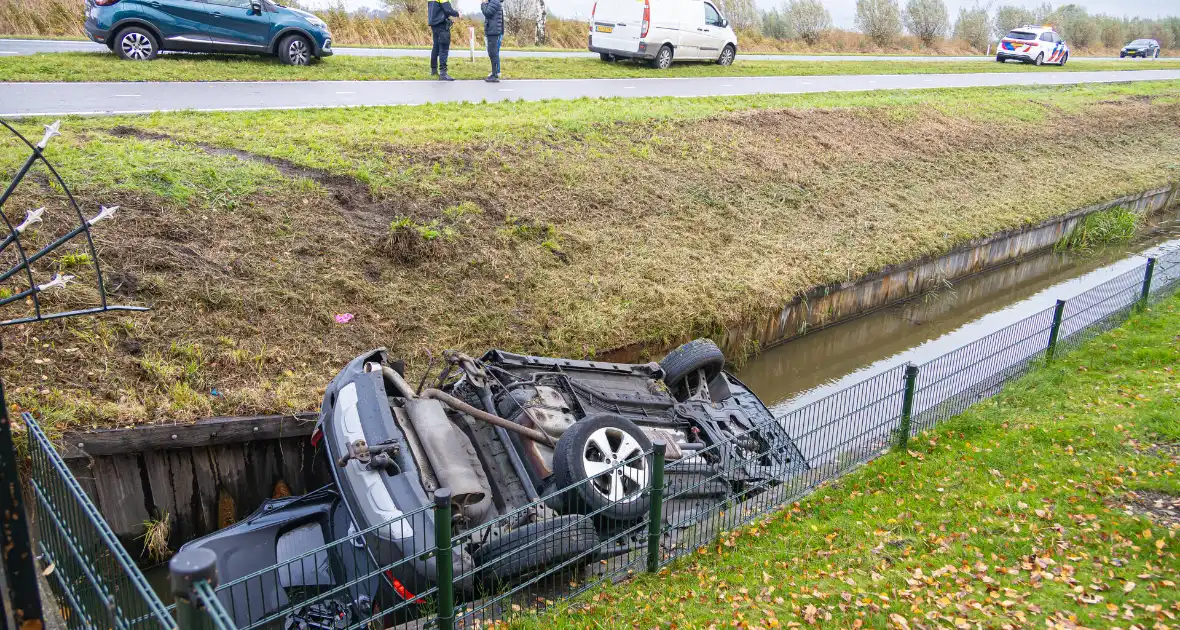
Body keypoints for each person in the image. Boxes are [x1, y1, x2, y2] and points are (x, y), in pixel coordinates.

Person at [428, 0, 460, 81]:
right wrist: (457, 13)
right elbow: (448, 9)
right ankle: (443, 73)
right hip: (441, 24)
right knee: (444, 48)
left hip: (433, 23)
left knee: (436, 47)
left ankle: (434, 70)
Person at [481, 0, 503, 82]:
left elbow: (487, 13)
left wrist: (483, 4)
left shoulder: (494, 2)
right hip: (492, 30)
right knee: (492, 53)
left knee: (493, 53)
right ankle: (494, 73)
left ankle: (495, 75)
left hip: (493, 31)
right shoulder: (494, 2)